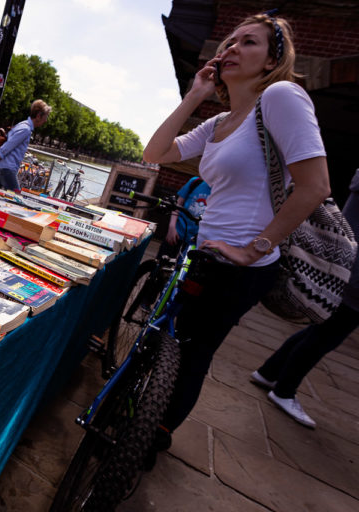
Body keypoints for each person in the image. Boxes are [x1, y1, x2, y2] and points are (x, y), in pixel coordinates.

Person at [142, 13, 330, 459]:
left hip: (243, 264)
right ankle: (145, 417)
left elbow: (316, 186)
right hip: (205, 251)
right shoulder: (221, 121)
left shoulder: (282, 98)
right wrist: (195, 95)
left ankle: (151, 438)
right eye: (229, 40)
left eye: (248, 42)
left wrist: (253, 249)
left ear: (271, 61)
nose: (230, 48)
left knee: (192, 350)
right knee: (172, 337)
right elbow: (156, 153)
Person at [251, 168, 359, 429]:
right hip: (354, 277)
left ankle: (269, 372)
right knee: (328, 335)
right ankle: (285, 390)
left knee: (321, 328)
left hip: (346, 266)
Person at [0, 99, 51, 192]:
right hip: (7, 168)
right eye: (45, 117)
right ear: (38, 116)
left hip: (2, 167)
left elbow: (11, 144)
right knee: (15, 198)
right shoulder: (26, 129)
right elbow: (6, 147)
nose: (46, 120)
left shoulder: (22, 125)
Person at [156, 176, 211, 260]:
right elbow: (178, 204)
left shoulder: (221, 192)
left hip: (195, 242)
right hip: (177, 234)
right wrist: (172, 227)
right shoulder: (195, 182)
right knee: (161, 262)